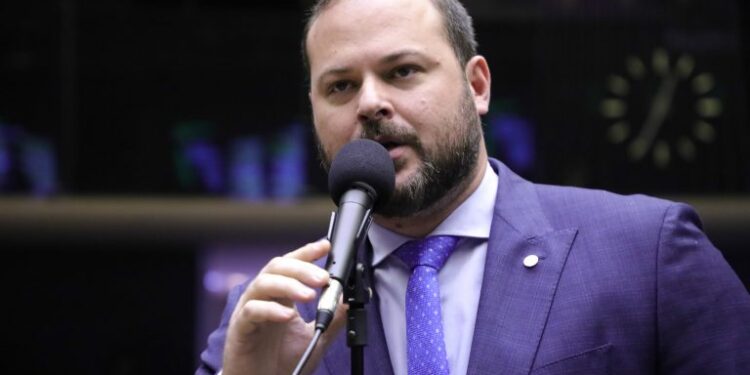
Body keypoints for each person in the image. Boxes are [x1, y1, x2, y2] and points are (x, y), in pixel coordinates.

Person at [197, 0, 750, 374]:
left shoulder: (645, 252)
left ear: (477, 85)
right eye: (340, 85)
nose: (369, 103)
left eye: (403, 71)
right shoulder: (272, 314)